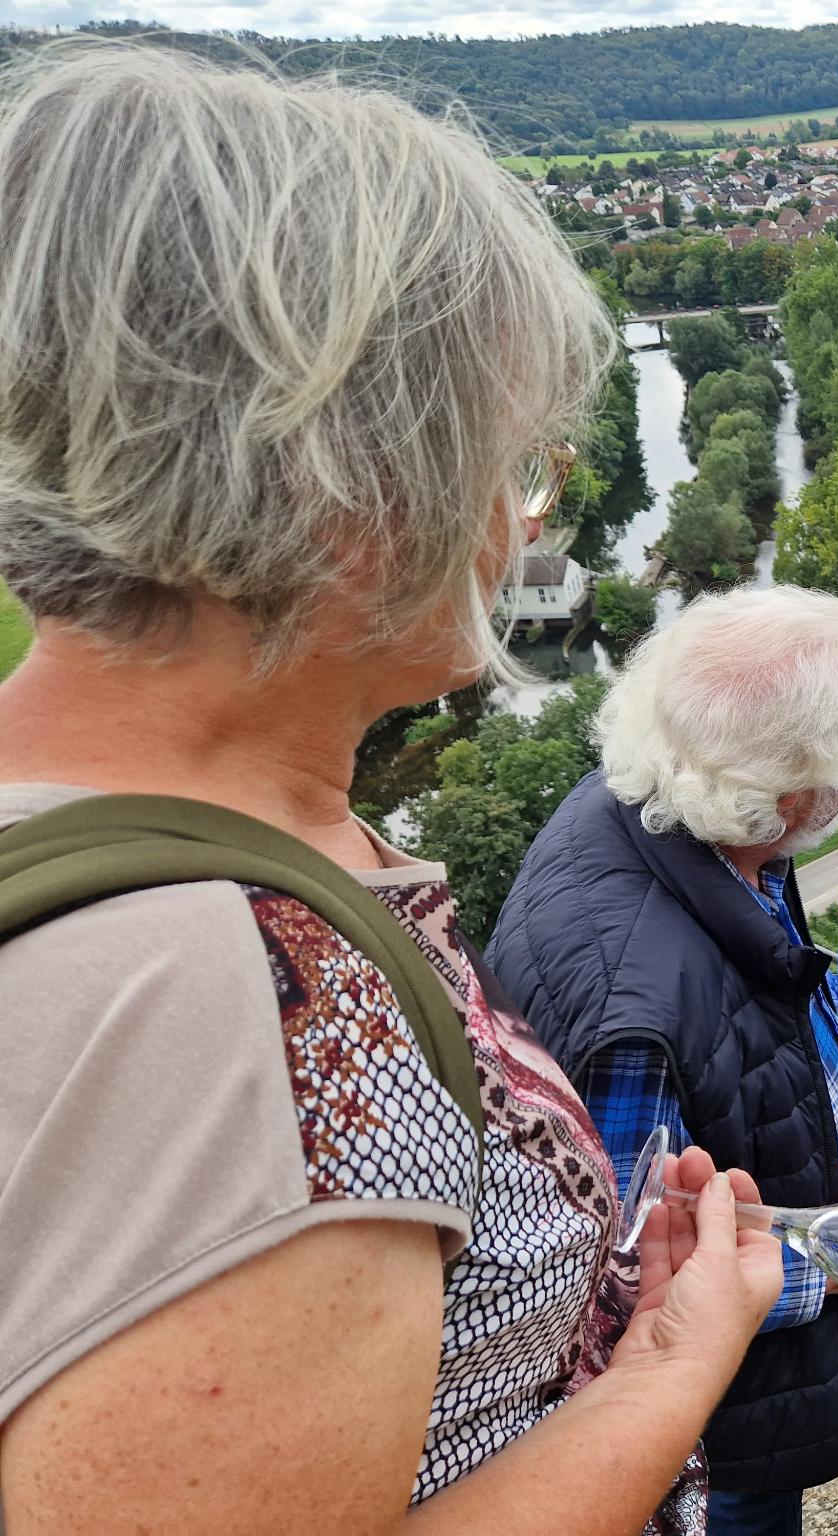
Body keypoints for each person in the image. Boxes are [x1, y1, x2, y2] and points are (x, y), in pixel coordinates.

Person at [0, 41, 785, 1536]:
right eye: (512, 468)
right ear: (349, 490)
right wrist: (674, 1366)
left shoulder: (139, 820)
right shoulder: (251, 999)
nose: (518, 522)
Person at [486, 586, 838, 1536]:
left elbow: (754, 1013)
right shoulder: (631, 1020)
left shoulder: (673, 802)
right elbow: (622, 1285)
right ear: (792, 793)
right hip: (736, 1383)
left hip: (783, 1276)